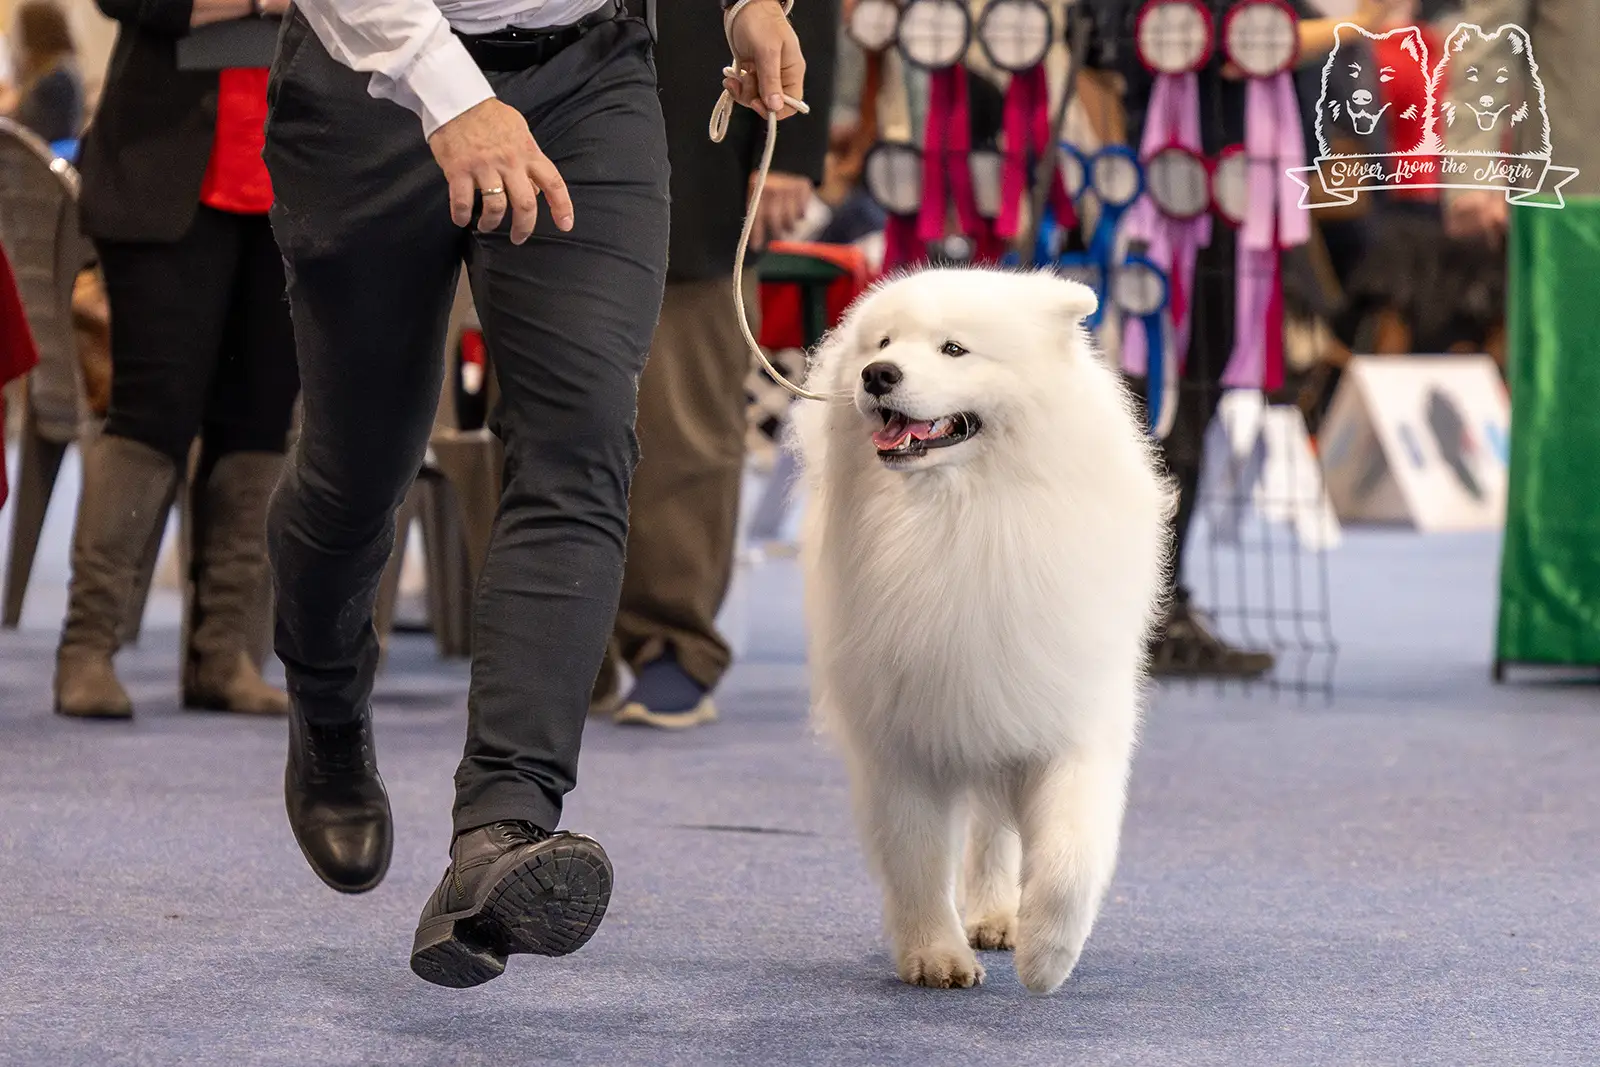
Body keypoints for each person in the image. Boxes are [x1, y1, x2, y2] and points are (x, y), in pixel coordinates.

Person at [263, 0, 805, 987]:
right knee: (359, 464)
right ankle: (329, 702)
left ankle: (500, 832)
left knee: (580, 441)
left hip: (587, 79)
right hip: (373, 84)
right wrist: (452, 95)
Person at [1083, 0, 1400, 678]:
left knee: (1165, 407)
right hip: (1204, 207)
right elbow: (1242, 43)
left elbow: (1097, 66)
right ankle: (1152, 608)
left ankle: (1146, 602)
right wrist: (1361, 21)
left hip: (1170, 193)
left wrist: (1124, 166)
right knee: (1177, 410)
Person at [58, 0, 302, 720]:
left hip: (295, 179)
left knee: (260, 421)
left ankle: (225, 655)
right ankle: (88, 647)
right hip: (161, 168)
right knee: (151, 411)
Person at [596, 0, 836, 729]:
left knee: (684, 421)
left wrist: (793, 147)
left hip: (696, 145)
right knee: (534, 420)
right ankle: (567, 649)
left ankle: (674, 645)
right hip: (537, 126)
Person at [2, 0, 83, 144]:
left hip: (45, 153)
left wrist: (10, 105)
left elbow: (30, 129)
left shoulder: (57, 77)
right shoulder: (59, 68)